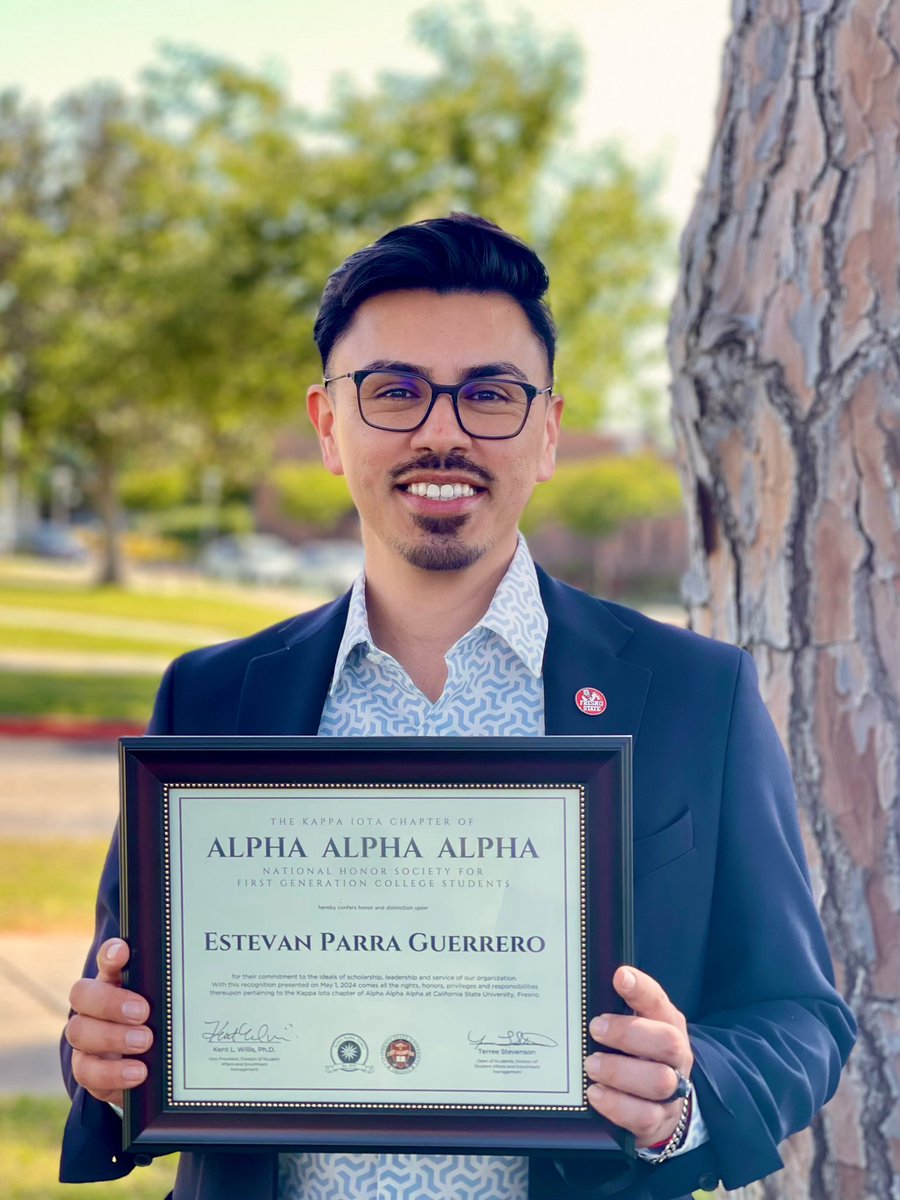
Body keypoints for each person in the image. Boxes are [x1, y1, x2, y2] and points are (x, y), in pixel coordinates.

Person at [60, 214, 855, 1200]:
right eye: (394, 392)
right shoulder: (214, 697)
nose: (442, 429)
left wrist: (686, 1096)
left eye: (490, 394)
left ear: (549, 431)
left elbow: (800, 1017)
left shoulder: (697, 696)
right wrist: (98, 1060)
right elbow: (121, 1009)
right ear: (327, 425)